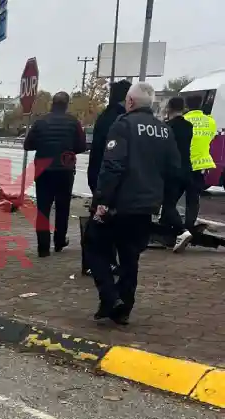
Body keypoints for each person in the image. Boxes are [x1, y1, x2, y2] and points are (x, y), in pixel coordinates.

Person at [86, 82, 180, 325]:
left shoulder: (123, 125)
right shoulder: (164, 130)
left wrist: (101, 201)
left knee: (93, 245)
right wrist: (164, 202)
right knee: (130, 257)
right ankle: (124, 307)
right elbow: (174, 170)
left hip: (120, 204)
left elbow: (112, 166)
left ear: (129, 102)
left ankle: (110, 297)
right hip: (146, 206)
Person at [24, 92, 87, 257]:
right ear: (67, 104)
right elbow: (81, 146)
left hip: (43, 170)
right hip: (65, 170)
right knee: (63, 206)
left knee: (43, 209)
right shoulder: (73, 123)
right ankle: (59, 241)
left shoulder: (40, 122)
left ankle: (43, 247)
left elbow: (28, 144)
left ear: (52, 103)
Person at [85, 79, 131, 275]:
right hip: (110, 177)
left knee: (100, 219)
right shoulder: (121, 119)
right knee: (107, 221)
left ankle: (94, 261)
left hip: (98, 173)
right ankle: (103, 262)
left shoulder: (106, 115)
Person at [174, 94, 218, 250]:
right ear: (201, 104)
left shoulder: (184, 120)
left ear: (186, 105)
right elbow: (211, 138)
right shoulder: (210, 121)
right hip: (200, 165)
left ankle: (179, 229)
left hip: (184, 164)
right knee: (193, 199)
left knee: (174, 198)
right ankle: (189, 226)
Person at [158, 97, 195, 252]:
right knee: (170, 204)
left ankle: (182, 231)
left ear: (169, 108)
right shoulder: (188, 126)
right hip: (187, 169)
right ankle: (166, 236)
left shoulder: (167, 127)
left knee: (167, 203)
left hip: (173, 171)